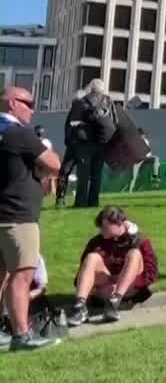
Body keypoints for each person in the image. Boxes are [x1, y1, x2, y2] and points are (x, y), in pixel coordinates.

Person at [0, 86, 62, 350]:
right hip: (18, 214)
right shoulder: (18, 132)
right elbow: (54, 164)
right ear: (12, 103)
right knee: (22, 274)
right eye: (28, 102)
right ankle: (21, 336)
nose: (32, 108)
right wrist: (44, 151)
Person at [67, 206, 159, 326]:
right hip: (105, 287)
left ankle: (114, 302)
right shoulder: (96, 242)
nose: (101, 230)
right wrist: (94, 289)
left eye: (105, 227)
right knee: (92, 257)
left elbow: (151, 272)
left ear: (120, 223)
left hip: (128, 289)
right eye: (100, 227)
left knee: (134, 253)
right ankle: (80, 307)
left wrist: (124, 284)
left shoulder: (140, 241)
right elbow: (82, 272)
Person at [77, 78, 117, 208]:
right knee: (96, 174)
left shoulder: (83, 101)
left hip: (86, 142)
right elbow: (114, 120)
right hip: (102, 142)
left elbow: (77, 121)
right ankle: (93, 202)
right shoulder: (108, 101)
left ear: (91, 88)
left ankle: (81, 202)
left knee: (83, 174)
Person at [56, 91, 90, 207]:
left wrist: (68, 141)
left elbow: (67, 128)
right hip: (82, 145)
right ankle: (81, 200)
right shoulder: (86, 108)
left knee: (64, 171)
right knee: (83, 173)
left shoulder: (73, 110)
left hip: (72, 145)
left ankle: (60, 198)